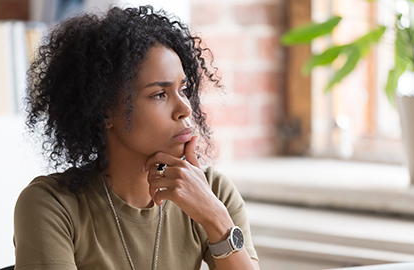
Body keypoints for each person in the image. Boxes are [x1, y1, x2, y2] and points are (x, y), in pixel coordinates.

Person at [14, 5, 260, 270]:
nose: (185, 109)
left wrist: (215, 218)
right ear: (104, 112)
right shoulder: (52, 206)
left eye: (184, 89)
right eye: (159, 94)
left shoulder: (212, 191)